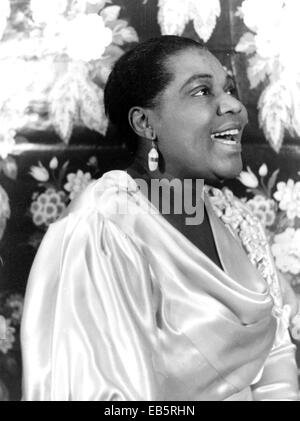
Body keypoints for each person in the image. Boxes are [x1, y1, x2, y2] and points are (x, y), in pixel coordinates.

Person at [21, 35, 300, 401]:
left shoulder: (236, 218)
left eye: (228, 89)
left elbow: (276, 357)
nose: (234, 105)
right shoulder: (101, 227)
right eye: (202, 92)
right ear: (146, 124)